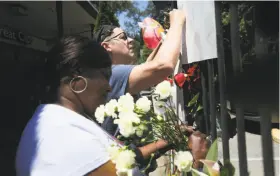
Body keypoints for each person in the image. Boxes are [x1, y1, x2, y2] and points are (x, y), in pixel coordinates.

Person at [15, 36, 175, 176]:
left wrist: (163, 143)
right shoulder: (66, 137)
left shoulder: (63, 122)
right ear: (77, 82)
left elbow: (119, 158)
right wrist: (195, 162)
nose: (109, 86)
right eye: (105, 75)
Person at [94, 9, 186, 135]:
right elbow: (163, 66)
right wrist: (177, 21)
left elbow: (148, 65)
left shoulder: (112, 74)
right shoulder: (113, 73)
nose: (131, 39)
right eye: (123, 37)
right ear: (107, 46)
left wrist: (165, 39)